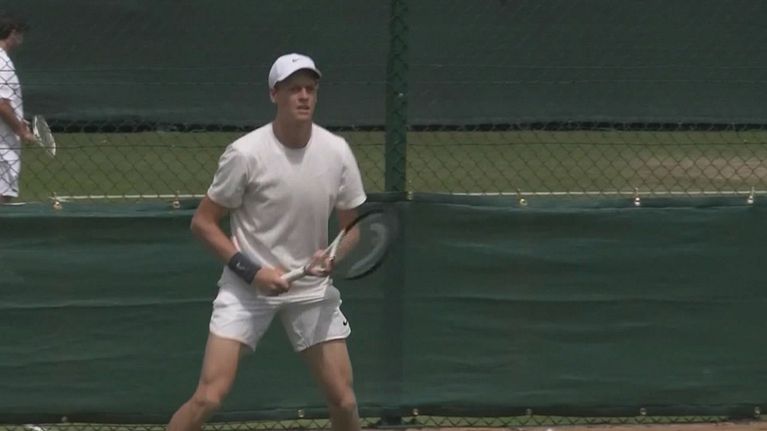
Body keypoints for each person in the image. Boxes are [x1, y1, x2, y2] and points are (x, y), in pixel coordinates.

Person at [167, 53, 367, 431]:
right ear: (274, 94)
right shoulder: (244, 154)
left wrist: (333, 257)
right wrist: (253, 272)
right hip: (247, 289)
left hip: (310, 290)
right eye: (293, 89)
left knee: (344, 400)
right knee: (209, 397)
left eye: (310, 89)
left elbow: (352, 227)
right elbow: (203, 223)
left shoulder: (337, 152)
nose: (303, 96)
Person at [0, 13, 34, 204]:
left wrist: (18, 119)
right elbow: (2, 104)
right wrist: (21, 131)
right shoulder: (2, 63)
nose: (22, 37)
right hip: (3, 144)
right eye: (20, 33)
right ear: (12, 33)